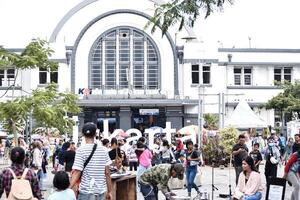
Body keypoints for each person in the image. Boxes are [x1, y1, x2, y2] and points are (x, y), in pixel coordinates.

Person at [70, 122, 112, 200]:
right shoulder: (104, 150)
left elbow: (77, 172)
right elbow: (107, 172)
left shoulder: (80, 150)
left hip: (86, 192)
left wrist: (68, 188)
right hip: (101, 192)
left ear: (83, 134)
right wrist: (110, 191)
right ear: (95, 134)